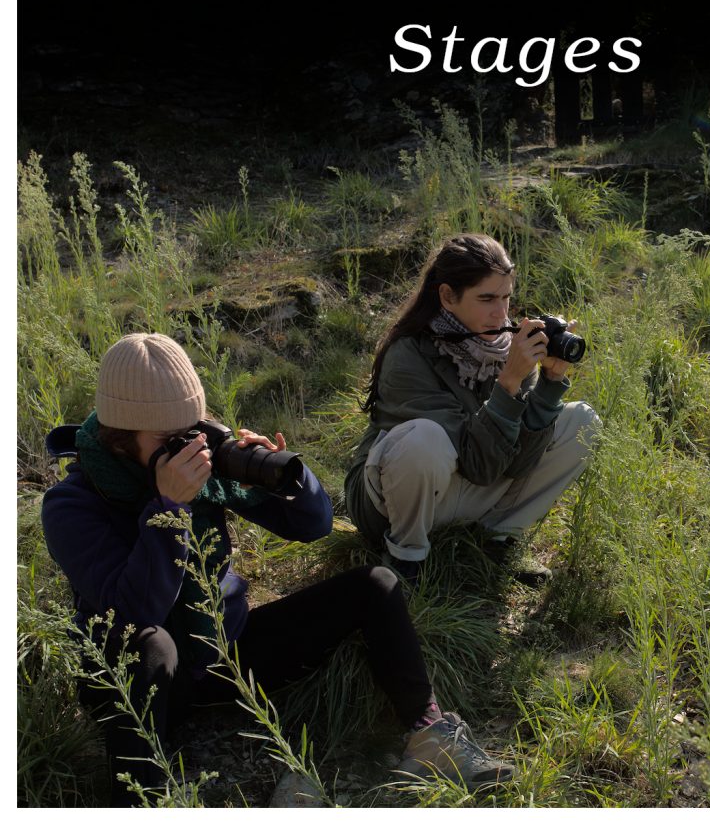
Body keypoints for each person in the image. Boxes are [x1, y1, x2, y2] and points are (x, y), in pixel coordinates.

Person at [42, 332, 512, 807]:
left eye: (195, 431)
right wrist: (170, 509)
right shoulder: (72, 505)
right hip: (141, 675)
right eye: (171, 441)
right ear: (121, 441)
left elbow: (314, 526)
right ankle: (144, 799)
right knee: (151, 642)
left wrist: (278, 474)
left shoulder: (201, 461)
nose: (192, 450)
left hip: (224, 651)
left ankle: (429, 735)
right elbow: (136, 608)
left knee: (375, 585)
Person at [344, 233, 600, 584]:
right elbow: (477, 464)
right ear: (448, 296)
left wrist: (548, 386)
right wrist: (508, 385)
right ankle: (405, 559)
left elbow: (519, 464)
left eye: (507, 297)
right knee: (424, 438)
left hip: (464, 487)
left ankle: (495, 542)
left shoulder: (506, 348)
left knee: (581, 420)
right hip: (395, 504)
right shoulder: (408, 356)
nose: (502, 313)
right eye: (487, 299)